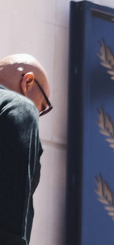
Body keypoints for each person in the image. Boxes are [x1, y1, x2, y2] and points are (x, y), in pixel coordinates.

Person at [0, 54, 52, 245]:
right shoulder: (18, 106)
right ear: (28, 82)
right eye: (43, 106)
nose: (38, 112)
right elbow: (12, 215)